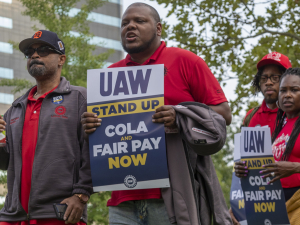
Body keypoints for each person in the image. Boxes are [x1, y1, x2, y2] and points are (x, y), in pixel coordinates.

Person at [82, 3, 233, 225]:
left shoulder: (185, 61)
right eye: (125, 23)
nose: (130, 26)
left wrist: (180, 115)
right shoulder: (110, 75)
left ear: (158, 28)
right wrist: (90, 125)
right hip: (122, 200)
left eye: (139, 21)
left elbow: (224, 114)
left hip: (171, 196)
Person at [0, 30, 92, 225]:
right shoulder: (15, 108)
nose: (34, 55)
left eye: (43, 50)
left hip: (60, 214)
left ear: (61, 59)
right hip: (13, 216)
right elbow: (4, 163)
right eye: (30, 53)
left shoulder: (80, 98)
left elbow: (93, 150)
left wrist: (82, 194)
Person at [230, 52, 292, 224]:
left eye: (275, 77)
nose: (269, 82)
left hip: (294, 200)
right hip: (260, 203)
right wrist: (236, 203)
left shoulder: (294, 115)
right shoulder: (251, 117)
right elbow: (240, 165)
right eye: (264, 78)